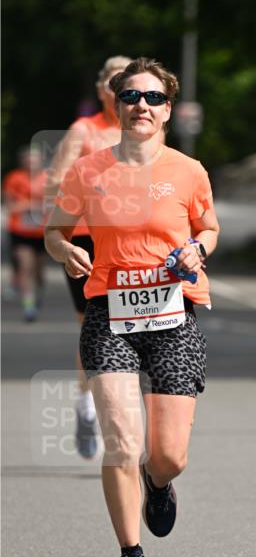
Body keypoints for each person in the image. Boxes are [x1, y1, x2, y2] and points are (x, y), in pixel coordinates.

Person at [45, 57, 219, 557]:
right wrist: (66, 251)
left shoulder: (188, 170)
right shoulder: (88, 171)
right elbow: (55, 231)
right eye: (131, 96)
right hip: (109, 315)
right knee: (121, 441)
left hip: (173, 315)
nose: (142, 105)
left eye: (153, 98)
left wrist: (197, 249)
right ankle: (129, 552)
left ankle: (157, 482)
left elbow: (208, 229)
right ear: (116, 105)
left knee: (169, 455)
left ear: (168, 110)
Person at [45, 55, 133, 457]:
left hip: (134, 241)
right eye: (114, 82)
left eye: (128, 82)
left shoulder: (146, 130)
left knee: (133, 324)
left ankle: (118, 406)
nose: (121, 90)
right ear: (101, 90)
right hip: (87, 241)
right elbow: (55, 181)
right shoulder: (85, 130)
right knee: (95, 326)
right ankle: (88, 402)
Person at [4, 147, 48, 321]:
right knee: (25, 266)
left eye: (34, 159)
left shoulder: (49, 178)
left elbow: (58, 204)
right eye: (28, 159)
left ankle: (38, 296)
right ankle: (28, 307)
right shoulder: (14, 178)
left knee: (38, 272)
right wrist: (29, 206)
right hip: (20, 231)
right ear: (22, 161)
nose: (31, 163)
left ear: (41, 161)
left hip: (42, 233)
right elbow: (10, 206)